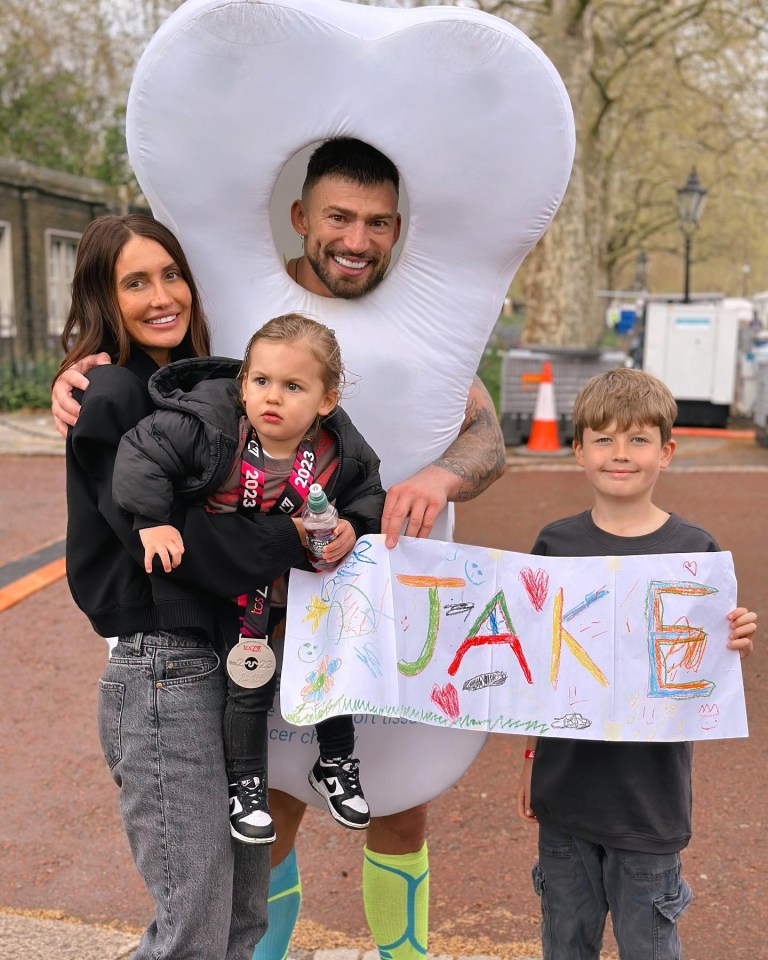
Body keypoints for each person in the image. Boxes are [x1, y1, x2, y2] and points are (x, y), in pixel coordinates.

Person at [52, 138, 507, 960]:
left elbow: (487, 433)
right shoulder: (226, 322)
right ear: (300, 219)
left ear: (399, 230)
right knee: (220, 888)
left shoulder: (425, 319)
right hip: (203, 634)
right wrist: (88, 378)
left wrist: (438, 478)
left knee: (265, 889)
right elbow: (152, 486)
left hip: (310, 614)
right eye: (338, 216)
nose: (356, 239)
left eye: (377, 223)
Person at [61, 213, 277, 959]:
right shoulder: (112, 395)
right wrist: (287, 549)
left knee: (243, 921)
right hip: (164, 674)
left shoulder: (202, 392)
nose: (163, 295)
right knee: (192, 931)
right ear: (103, 298)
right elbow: (172, 551)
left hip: (223, 670)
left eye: (172, 273)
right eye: (135, 282)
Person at [111, 313, 385, 844]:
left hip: (307, 587)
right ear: (243, 385)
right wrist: (153, 522)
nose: (272, 397)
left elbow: (369, 491)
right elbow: (142, 453)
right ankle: (247, 787)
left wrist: (356, 526)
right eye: (261, 382)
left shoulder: (339, 447)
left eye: (293, 386)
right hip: (237, 587)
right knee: (249, 685)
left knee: (333, 669)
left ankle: (335, 764)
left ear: (326, 400)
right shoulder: (211, 424)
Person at [516, 367, 757, 960]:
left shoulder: (694, 552)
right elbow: (535, 668)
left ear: (666, 452)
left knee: (648, 945)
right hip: (564, 794)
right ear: (578, 453)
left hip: (649, 804)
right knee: (563, 944)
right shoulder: (554, 545)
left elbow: (704, 659)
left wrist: (734, 639)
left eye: (638, 440)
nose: (619, 455)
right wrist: (528, 761)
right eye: (603, 440)